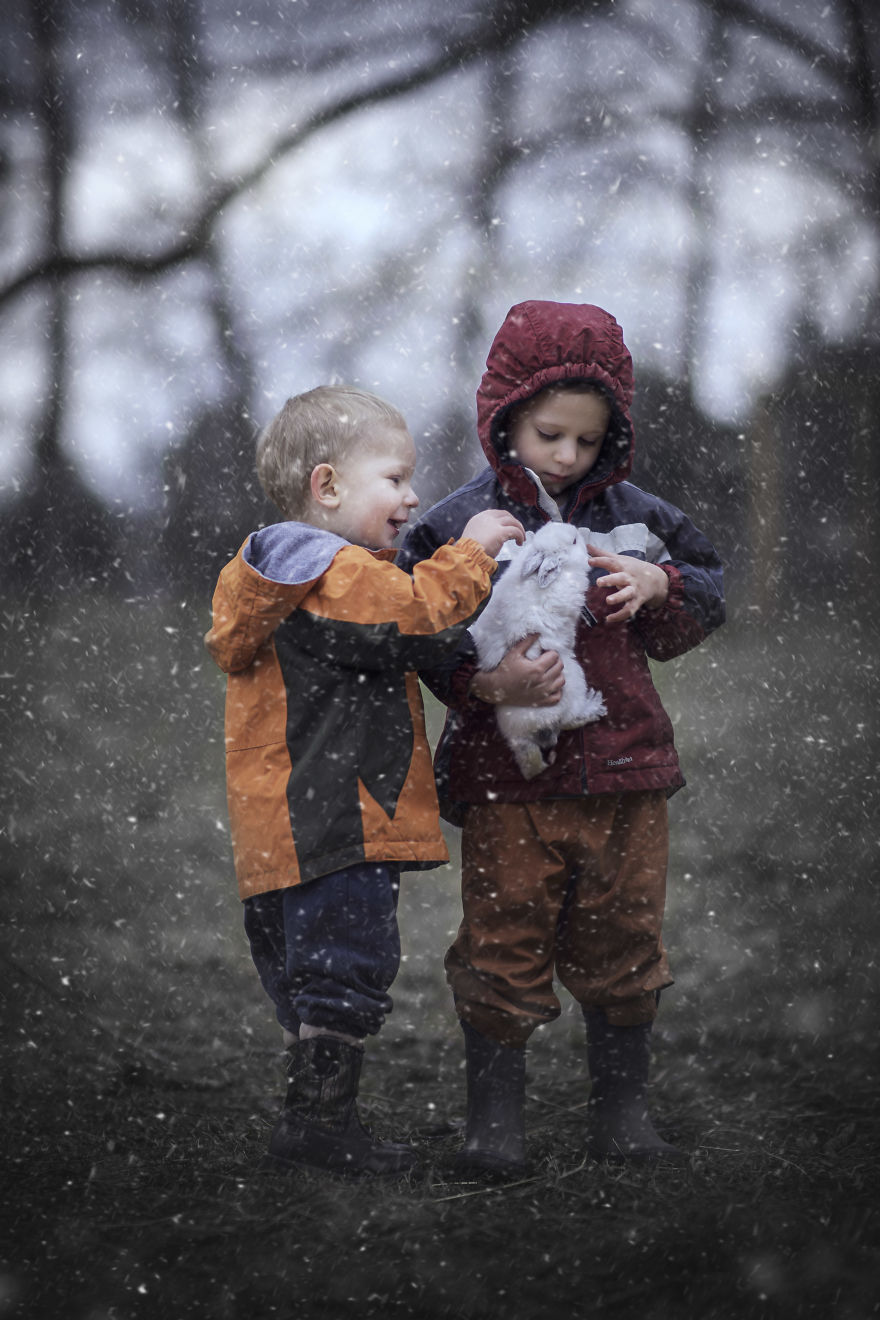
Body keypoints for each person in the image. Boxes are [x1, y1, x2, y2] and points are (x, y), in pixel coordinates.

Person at [397, 300, 725, 1175]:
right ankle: (493, 1127)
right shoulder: (457, 527)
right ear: (504, 420)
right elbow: (415, 628)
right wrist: (481, 682)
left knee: (623, 940)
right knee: (503, 943)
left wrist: (662, 588)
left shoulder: (641, 517)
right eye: (549, 434)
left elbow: (709, 589)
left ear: (613, 433)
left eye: (588, 439)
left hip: (626, 774)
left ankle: (622, 1117)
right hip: (509, 781)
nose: (569, 456)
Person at [205, 384, 524, 1177]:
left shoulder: (284, 578)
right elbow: (415, 613)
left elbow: (390, 647)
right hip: (338, 821)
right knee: (345, 968)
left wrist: (480, 679)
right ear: (328, 486)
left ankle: (313, 1119)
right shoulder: (330, 569)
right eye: (395, 477)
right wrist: (474, 551)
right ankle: (318, 1128)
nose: (413, 496)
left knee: (314, 981)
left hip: (283, 828)